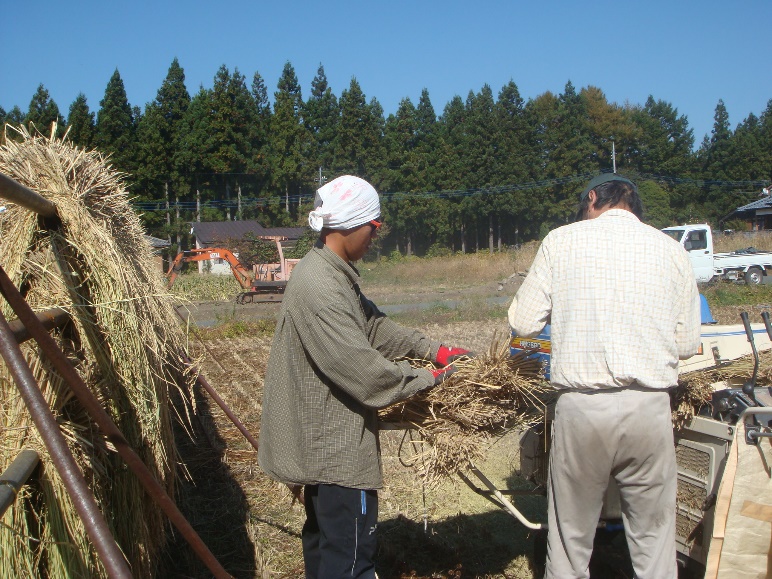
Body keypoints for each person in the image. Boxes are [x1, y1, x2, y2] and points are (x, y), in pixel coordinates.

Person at [257, 175, 469, 579]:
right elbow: (365, 373)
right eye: (374, 227)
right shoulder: (320, 286)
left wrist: (435, 350)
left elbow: (375, 330)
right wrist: (432, 378)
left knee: (327, 554)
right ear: (351, 224)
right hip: (336, 454)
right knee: (351, 563)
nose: (376, 236)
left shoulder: (334, 273)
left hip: (325, 451)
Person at [508, 173, 701, 579]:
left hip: (584, 409)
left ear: (593, 198)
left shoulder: (561, 241)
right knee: (654, 543)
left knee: (571, 541)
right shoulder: (671, 249)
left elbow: (523, 321)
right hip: (650, 408)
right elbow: (685, 345)